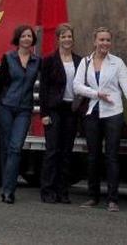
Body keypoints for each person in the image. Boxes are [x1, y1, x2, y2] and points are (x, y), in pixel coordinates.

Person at [72, 26, 127, 212]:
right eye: (101, 40)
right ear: (94, 41)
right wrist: (97, 94)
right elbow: (77, 86)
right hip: (93, 113)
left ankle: (112, 199)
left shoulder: (117, 63)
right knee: (93, 157)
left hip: (113, 113)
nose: (105, 43)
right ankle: (92, 196)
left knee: (112, 157)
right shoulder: (86, 62)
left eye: (107, 40)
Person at [0, 24, 39, 204]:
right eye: (24, 36)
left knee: (16, 148)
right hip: (6, 107)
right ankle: (7, 188)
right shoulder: (8, 58)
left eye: (30, 36)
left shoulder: (36, 61)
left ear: (33, 40)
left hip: (24, 110)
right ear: (18, 39)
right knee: (6, 148)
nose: (27, 39)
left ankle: (9, 190)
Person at [38, 22, 83, 203]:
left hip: (71, 110)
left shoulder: (79, 61)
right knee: (52, 151)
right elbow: (43, 89)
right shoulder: (49, 60)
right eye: (63, 36)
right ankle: (47, 191)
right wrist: (44, 114)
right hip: (54, 109)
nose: (67, 40)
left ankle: (62, 191)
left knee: (66, 152)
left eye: (69, 36)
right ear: (58, 39)